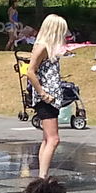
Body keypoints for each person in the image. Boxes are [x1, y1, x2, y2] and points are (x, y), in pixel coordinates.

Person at [27, 14, 69, 179]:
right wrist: (42, 93)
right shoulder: (42, 47)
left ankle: (42, 175)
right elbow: (30, 71)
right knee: (53, 139)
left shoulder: (47, 47)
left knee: (47, 139)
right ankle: (43, 176)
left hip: (51, 96)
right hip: (46, 97)